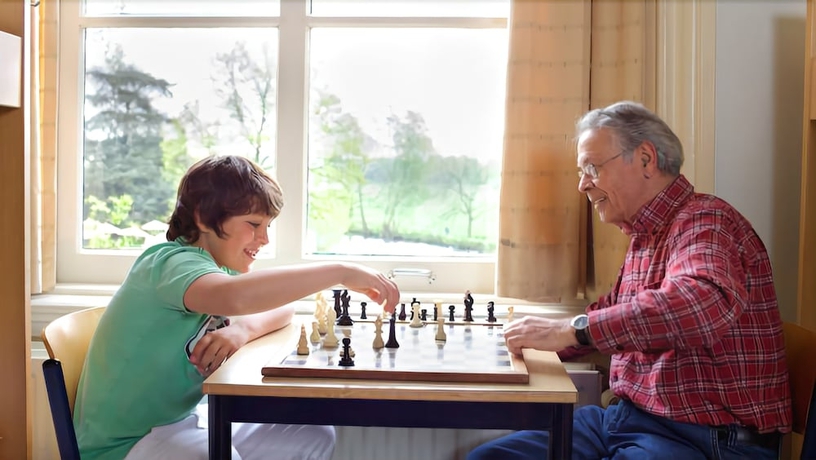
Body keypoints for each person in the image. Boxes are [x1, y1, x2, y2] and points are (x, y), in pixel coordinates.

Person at [468, 101, 791, 460]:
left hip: (701, 437)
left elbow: (697, 306)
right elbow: (609, 315)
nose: (582, 185)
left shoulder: (707, 222)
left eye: (591, 167)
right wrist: (531, 339)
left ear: (646, 160)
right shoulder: (645, 236)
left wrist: (576, 330)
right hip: (627, 421)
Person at [73, 155, 401, 460]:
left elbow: (279, 307)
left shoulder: (219, 268)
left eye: (267, 226)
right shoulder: (171, 263)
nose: (265, 239)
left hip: (180, 420)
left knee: (311, 434)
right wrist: (339, 272)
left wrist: (241, 330)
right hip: (125, 444)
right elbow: (236, 298)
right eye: (254, 224)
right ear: (203, 217)